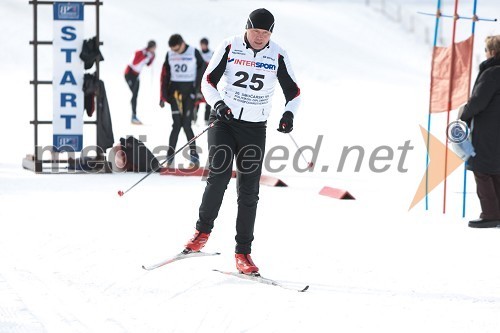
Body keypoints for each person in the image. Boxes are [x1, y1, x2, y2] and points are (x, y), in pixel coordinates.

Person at [183, 8, 301, 274]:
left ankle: (243, 253)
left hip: (255, 127)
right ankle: (201, 233)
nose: (260, 37)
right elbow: (207, 82)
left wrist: (288, 114)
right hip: (224, 121)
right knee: (219, 176)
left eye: (265, 33)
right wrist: (220, 104)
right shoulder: (230, 46)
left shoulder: (278, 54)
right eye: (255, 31)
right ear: (246, 28)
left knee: (249, 191)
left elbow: (294, 93)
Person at [460, 35, 500, 228]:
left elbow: (478, 102)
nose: (485, 53)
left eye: (486, 49)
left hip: (489, 129)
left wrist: (464, 114)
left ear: (493, 51)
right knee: (496, 170)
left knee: (482, 169)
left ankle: (491, 214)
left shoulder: (492, 73)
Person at [160, 34, 205, 168]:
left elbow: (203, 71)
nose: (175, 52)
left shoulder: (194, 52)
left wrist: (198, 91)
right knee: (176, 125)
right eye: (173, 50)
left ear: (183, 43)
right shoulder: (169, 54)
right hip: (175, 93)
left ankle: (194, 157)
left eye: (177, 49)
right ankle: (169, 157)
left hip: (189, 93)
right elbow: (164, 75)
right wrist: (162, 96)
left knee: (187, 125)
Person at [125, 40, 156, 125]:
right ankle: (133, 116)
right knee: (134, 95)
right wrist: (144, 56)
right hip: (129, 73)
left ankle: (134, 115)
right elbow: (134, 62)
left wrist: (152, 58)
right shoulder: (140, 52)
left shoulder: (150, 54)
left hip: (137, 76)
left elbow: (148, 64)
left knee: (135, 95)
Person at [194, 38, 214, 125]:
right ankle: (194, 119)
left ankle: (206, 119)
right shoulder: (198, 53)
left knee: (207, 101)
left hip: (208, 79)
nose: (202, 46)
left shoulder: (211, 54)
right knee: (197, 100)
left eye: (204, 44)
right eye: (201, 44)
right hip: (198, 80)